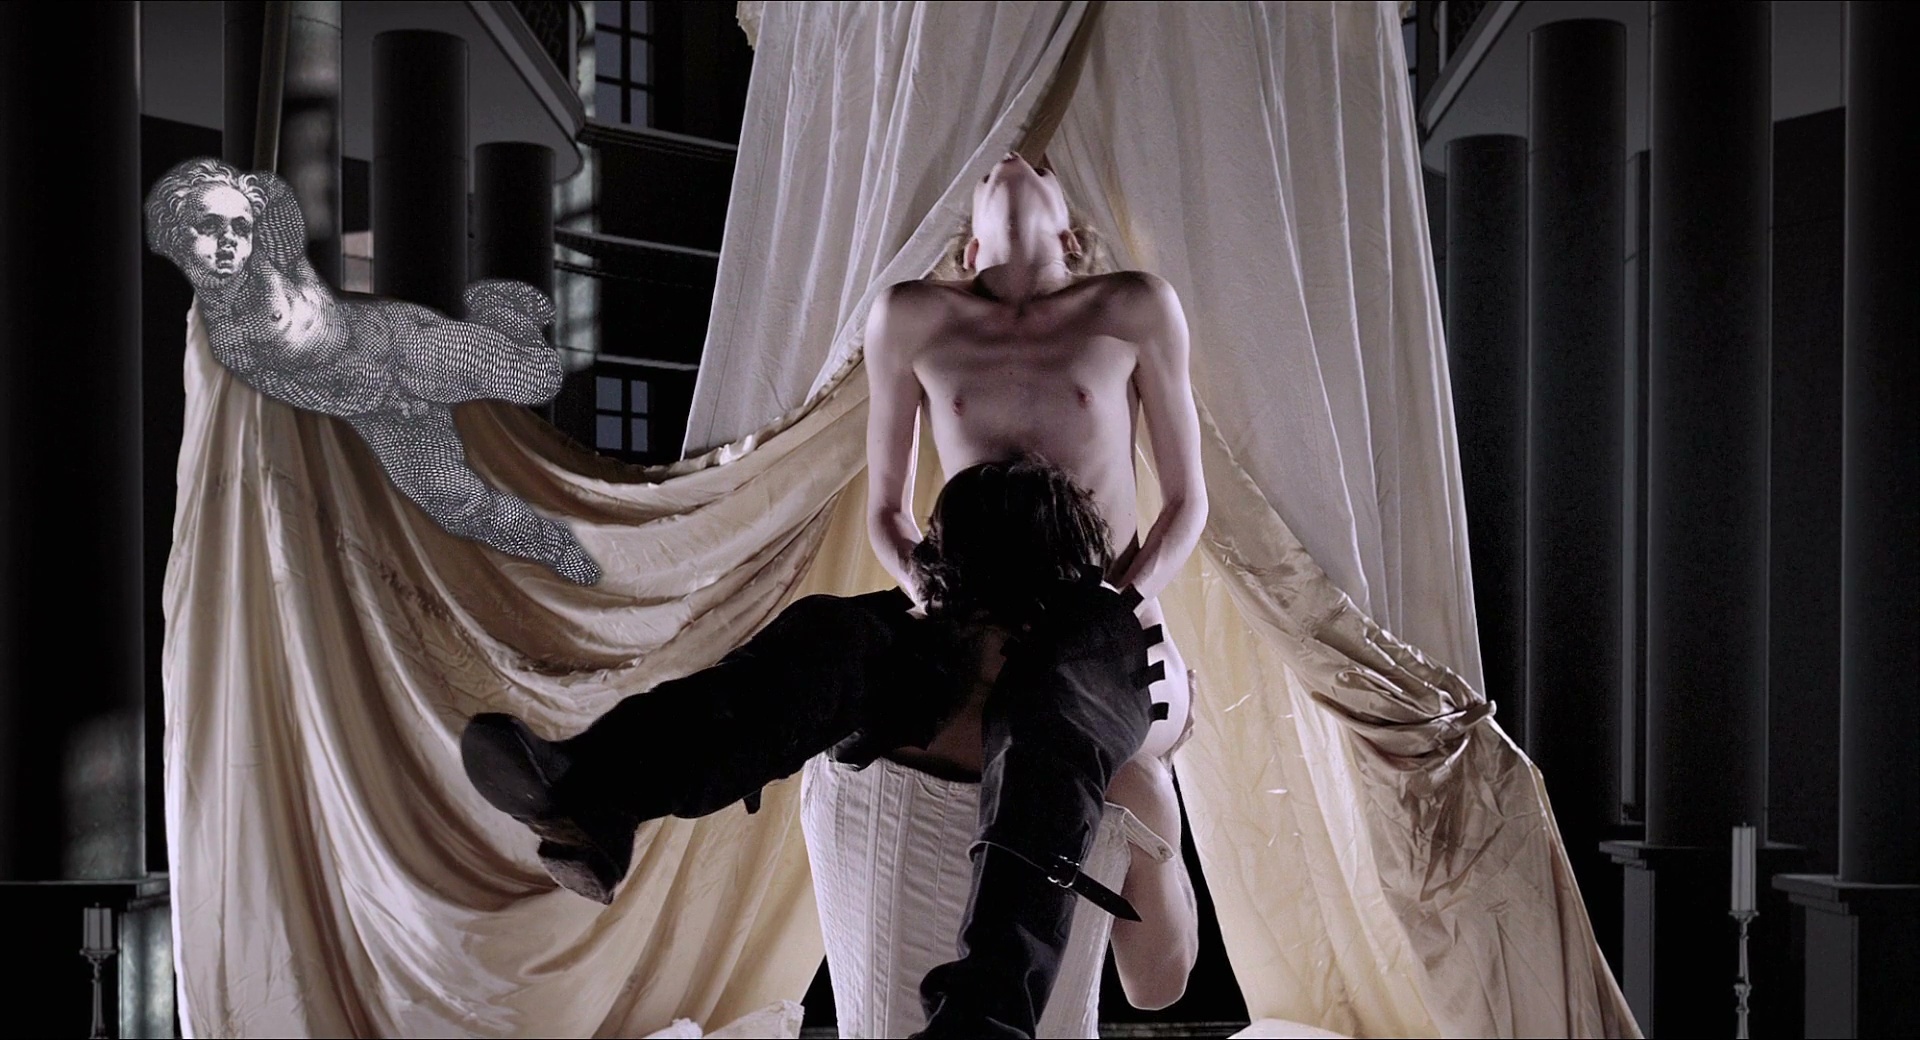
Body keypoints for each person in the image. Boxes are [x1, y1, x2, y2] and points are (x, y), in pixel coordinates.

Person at [860, 151, 1208, 1031]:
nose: (1016, 157)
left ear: (1072, 232)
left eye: (1044, 162)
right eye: (992, 165)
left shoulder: (1130, 307)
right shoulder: (911, 317)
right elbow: (886, 512)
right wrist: (938, 597)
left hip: (1103, 618)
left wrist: (1123, 606)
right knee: (853, 669)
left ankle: (1144, 875)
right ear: (969, 244)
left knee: (1123, 793)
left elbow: (1186, 503)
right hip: (976, 617)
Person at [144, 157, 598, 585]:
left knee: (538, 380)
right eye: (210, 225)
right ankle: (555, 546)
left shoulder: (275, 261)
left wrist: (250, 187)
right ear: (177, 236)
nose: (229, 239)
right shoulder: (221, 338)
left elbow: (277, 196)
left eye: (241, 227)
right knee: (457, 505)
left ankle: (501, 310)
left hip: (405, 349)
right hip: (381, 412)